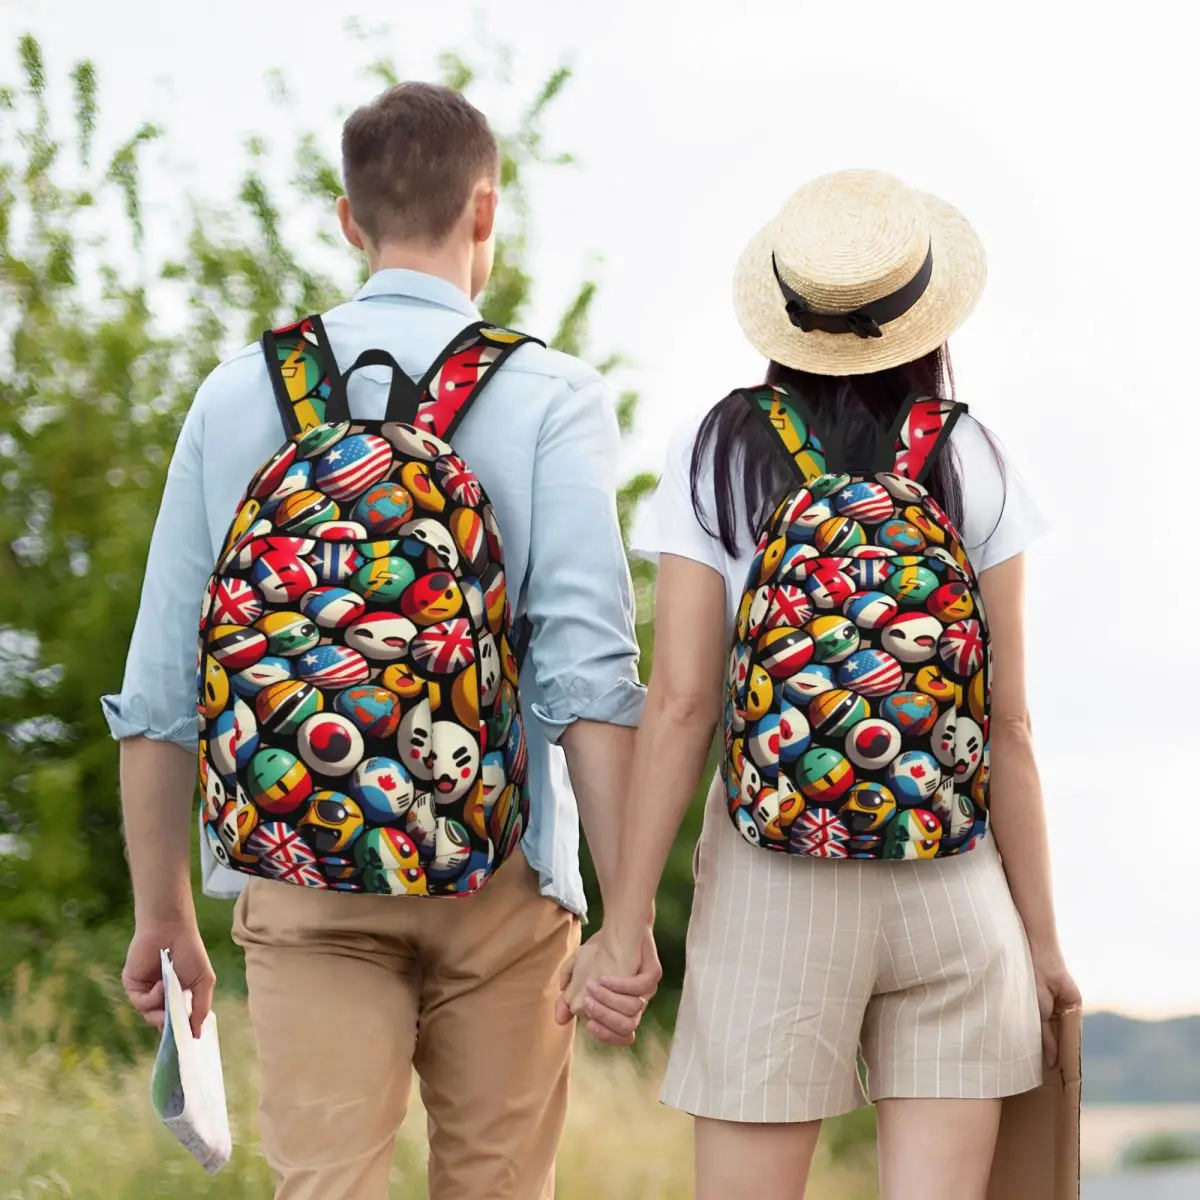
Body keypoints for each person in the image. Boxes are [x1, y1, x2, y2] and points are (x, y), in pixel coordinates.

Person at [104, 81, 661, 1200]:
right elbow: (588, 678)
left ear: (349, 219)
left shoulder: (237, 395)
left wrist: (163, 910)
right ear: (486, 212)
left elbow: (164, 681)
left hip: (300, 871)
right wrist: (627, 915)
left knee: (325, 1187)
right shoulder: (551, 394)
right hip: (502, 876)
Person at [559, 169, 1081, 1200]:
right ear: (925, 315)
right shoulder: (973, 455)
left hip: (774, 884)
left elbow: (681, 706)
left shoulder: (718, 450)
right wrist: (1043, 944)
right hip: (953, 880)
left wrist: (623, 928)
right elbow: (1008, 723)